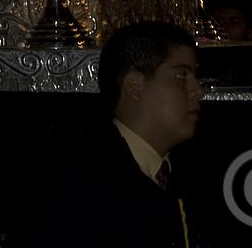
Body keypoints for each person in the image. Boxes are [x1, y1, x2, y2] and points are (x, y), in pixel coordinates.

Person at [18, 21, 202, 248]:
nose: (197, 90)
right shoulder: (78, 186)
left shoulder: (195, 174)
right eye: (181, 76)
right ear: (135, 85)